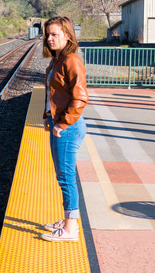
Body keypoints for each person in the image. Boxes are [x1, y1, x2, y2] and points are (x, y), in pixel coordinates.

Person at [40, 16, 88, 242]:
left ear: (67, 35)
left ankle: (70, 230)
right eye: (47, 34)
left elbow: (80, 98)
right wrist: (48, 116)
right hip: (60, 124)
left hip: (68, 127)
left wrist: (62, 123)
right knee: (63, 176)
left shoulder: (71, 61)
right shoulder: (57, 60)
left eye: (54, 34)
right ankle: (69, 221)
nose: (49, 38)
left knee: (66, 177)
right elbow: (54, 92)